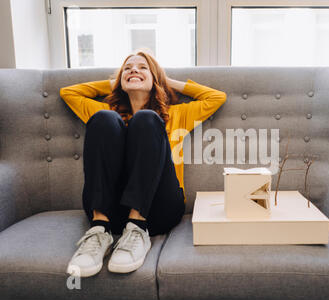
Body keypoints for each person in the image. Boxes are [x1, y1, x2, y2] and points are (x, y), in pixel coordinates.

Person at [60, 50, 227, 277]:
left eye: (142, 67)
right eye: (128, 68)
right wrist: (117, 83)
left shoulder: (177, 114)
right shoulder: (104, 112)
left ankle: (137, 227)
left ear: (155, 78)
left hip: (158, 211)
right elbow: (68, 93)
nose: (134, 70)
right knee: (103, 119)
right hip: (111, 211)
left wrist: (166, 82)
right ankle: (99, 231)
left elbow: (217, 97)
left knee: (146, 119)